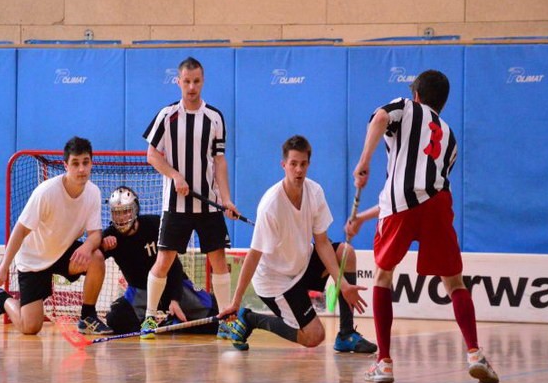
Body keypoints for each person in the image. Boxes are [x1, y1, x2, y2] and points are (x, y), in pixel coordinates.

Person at [349, 69, 499, 383]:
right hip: (438, 204)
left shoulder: (405, 106)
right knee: (455, 282)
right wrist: (362, 218)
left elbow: (379, 118)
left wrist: (364, 161)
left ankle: (384, 363)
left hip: (400, 204)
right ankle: (475, 353)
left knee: (383, 276)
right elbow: (423, 191)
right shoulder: (450, 137)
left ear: (416, 94)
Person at [218, 135, 376, 354]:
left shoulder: (315, 192)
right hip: (275, 281)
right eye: (293, 164)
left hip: (301, 265)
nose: (299, 170)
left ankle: (346, 334)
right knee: (314, 336)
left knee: (346, 253)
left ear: (309, 164)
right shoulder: (271, 205)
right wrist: (236, 302)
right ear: (284, 165)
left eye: (303, 164)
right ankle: (251, 319)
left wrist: (343, 284)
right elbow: (253, 256)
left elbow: (322, 243)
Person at [141, 56, 239, 339]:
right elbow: (152, 155)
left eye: (196, 81)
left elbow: (219, 161)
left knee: (218, 259)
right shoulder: (167, 115)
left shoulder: (215, 118)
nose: (192, 87)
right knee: (164, 260)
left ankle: (225, 319)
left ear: (203, 81)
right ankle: (149, 318)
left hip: (208, 205)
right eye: (187, 81)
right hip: (176, 205)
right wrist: (175, 175)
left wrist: (226, 199)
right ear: (178, 82)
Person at [0, 136, 112, 336]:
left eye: (85, 162)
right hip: (34, 258)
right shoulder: (46, 192)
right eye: (75, 163)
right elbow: (20, 231)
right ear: (65, 165)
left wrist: (87, 246)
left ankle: (87, 317)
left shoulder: (93, 192)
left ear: (91, 163)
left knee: (96, 258)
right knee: (30, 327)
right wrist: (3, 269)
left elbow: (95, 235)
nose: (81, 169)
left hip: (62, 251)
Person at [101, 186, 219, 334]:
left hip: (171, 284)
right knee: (116, 319)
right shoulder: (109, 236)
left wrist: (175, 299)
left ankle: (174, 321)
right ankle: (151, 324)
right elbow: (91, 264)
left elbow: (175, 265)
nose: (121, 217)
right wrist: (102, 246)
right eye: (117, 213)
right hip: (140, 291)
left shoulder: (155, 225)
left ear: (135, 210)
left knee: (213, 316)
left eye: (126, 211)